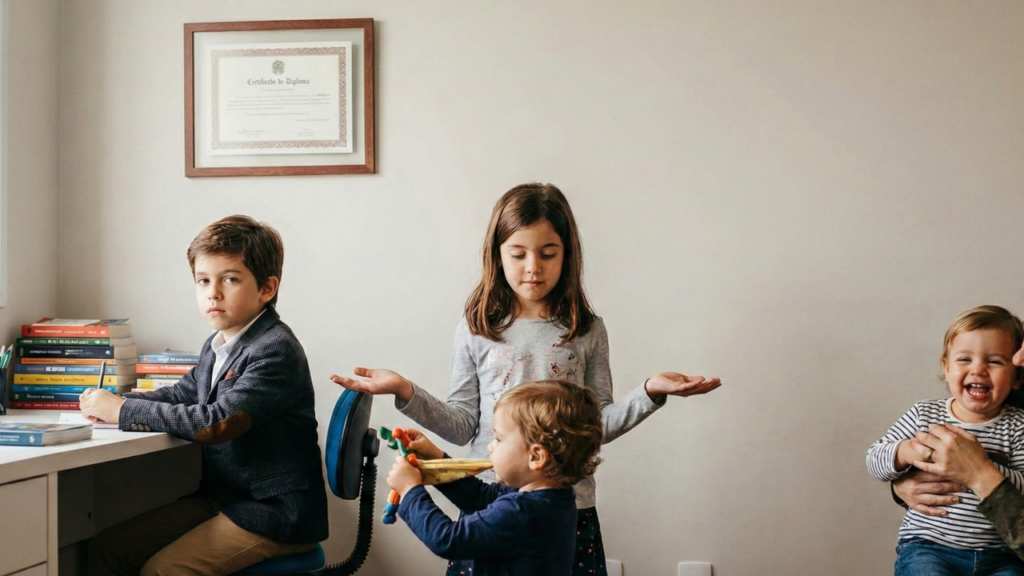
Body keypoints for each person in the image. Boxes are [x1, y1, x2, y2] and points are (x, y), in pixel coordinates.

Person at [332, 182, 721, 576]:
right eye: (518, 254)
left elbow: (593, 427)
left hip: (569, 505)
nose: (533, 267)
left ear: (567, 255)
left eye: (547, 253)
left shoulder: (586, 330)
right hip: (488, 500)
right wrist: (405, 390)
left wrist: (649, 392)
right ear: (497, 255)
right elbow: (463, 423)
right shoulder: (477, 328)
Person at [80, 215, 328, 576]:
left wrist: (123, 411)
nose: (213, 292)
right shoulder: (219, 345)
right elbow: (183, 394)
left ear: (267, 288)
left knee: (164, 570)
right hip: (225, 498)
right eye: (203, 281)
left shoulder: (275, 349)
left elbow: (219, 422)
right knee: (109, 550)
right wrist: (114, 402)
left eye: (229, 279)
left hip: (273, 512)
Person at [866, 305, 1024, 575]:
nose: (978, 370)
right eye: (965, 359)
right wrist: (904, 453)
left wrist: (981, 468)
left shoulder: (1018, 425)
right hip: (930, 546)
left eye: (994, 361)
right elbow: (873, 460)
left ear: (1017, 377)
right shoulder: (924, 413)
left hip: (1000, 554)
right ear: (946, 368)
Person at [390, 379, 603, 576]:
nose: (490, 446)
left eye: (498, 439)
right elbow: (477, 495)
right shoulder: (552, 499)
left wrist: (410, 491)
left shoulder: (521, 511)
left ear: (536, 456)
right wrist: (435, 455)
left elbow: (448, 539)